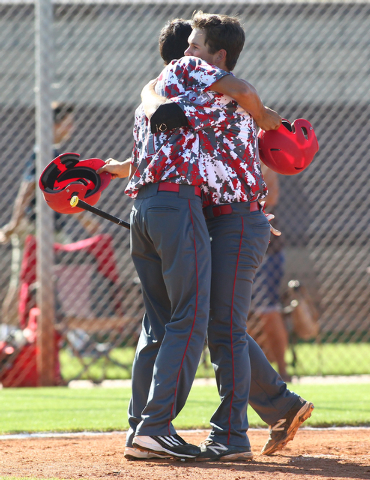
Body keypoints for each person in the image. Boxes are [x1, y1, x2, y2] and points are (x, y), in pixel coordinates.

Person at [99, 14, 313, 461]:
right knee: (214, 324)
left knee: (214, 327)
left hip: (228, 219)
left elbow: (173, 124)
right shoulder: (199, 99)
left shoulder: (197, 87)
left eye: (194, 49)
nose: (187, 57)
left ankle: (221, 432)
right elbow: (170, 142)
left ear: (213, 61)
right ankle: (272, 408)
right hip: (210, 216)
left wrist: (151, 98)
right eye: (186, 49)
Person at [0, 102, 100, 327]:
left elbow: (63, 194)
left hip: (52, 230)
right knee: (23, 282)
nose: (71, 128)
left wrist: (85, 218)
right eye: (67, 123)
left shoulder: (53, 153)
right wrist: (15, 223)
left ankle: (76, 335)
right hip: (35, 229)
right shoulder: (44, 152)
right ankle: (6, 336)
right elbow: (28, 189)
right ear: (55, 125)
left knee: (67, 280)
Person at [252, 164, 291, 382]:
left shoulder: (263, 155)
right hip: (234, 242)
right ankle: (250, 371)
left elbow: (271, 197)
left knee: (268, 310)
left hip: (266, 249)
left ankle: (283, 372)